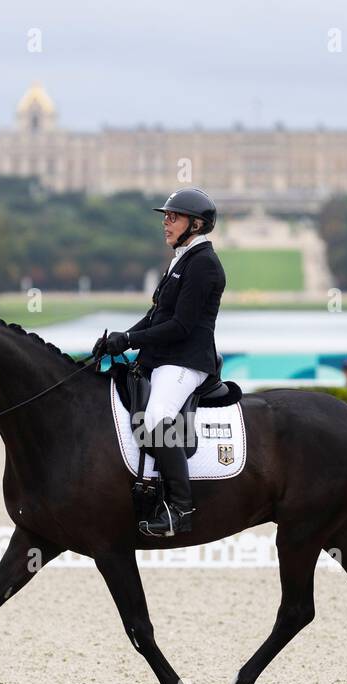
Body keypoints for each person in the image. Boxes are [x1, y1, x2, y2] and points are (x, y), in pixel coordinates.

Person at [93, 187, 226, 537]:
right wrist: (117, 339)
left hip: (186, 361)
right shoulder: (181, 259)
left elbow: (181, 326)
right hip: (165, 358)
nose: (165, 223)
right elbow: (155, 317)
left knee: (155, 418)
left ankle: (180, 509)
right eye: (165, 216)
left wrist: (132, 340)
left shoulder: (204, 265)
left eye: (173, 217)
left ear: (196, 224)